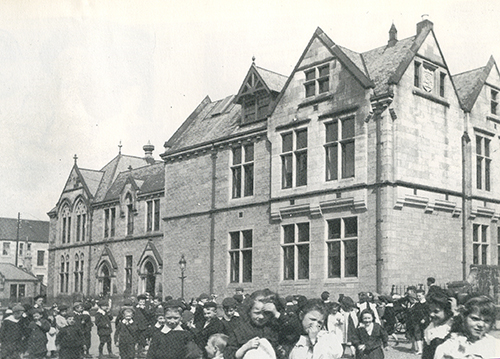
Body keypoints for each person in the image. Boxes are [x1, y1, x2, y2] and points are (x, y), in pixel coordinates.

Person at [224, 289, 291, 359]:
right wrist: (245, 347)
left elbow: (294, 333)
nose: (262, 317)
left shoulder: (275, 327)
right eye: (257, 313)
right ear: (249, 311)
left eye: (266, 313)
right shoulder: (240, 330)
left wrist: (277, 314)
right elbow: (228, 355)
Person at [434, 295, 500, 359]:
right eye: (475, 319)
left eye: (487, 321)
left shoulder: (495, 345)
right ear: (464, 317)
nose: (481, 325)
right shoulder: (449, 347)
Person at [421, 289, 455, 359]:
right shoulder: (430, 328)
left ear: (447, 311)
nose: (431, 314)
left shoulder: (453, 328)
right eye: (430, 311)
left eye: (436, 311)